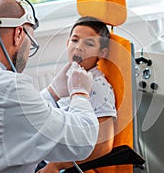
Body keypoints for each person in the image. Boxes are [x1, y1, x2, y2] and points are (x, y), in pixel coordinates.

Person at [0, 0, 99, 173]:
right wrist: (80, 92)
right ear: (18, 34)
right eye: (30, 44)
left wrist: (53, 91)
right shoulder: (9, 88)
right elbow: (82, 140)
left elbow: (7, 118)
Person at [36, 16, 116, 173]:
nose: (79, 47)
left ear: (102, 52)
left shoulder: (98, 86)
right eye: (75, 40)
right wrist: (53, 92)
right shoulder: (69, 76)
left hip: (55, 163)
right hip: (42, 153)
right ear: (67, 43)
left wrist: (57, 165)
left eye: (89, 43)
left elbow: (104, 145)